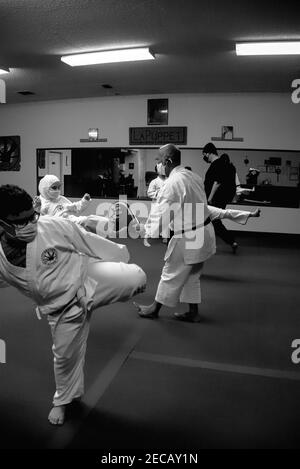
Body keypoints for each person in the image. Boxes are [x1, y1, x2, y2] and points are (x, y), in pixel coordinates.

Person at [0, 184, 147, 425]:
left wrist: (119, 258)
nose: (29, 225)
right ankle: (63, 401)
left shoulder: (52, 226)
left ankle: (100, 292)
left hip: (87, 279)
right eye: (20, 222)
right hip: (59, 309)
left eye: (31, 217)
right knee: (65, 356)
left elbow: (90, 243)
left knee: (136, 277)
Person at [135, 144, 261, 323]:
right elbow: (205, 208)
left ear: (168, 161)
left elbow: (160, 213)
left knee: (169, 272)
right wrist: (244, 214)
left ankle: (154, 309)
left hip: (189, 237)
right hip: (204, 234)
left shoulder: (172, 183)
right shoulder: (192, 177)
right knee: (192, 275)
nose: (157, 164)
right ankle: (193, 312)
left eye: (158, 160)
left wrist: (148, 235)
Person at [202, 144, 238, 253]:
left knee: (212, 221)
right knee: (211, 221)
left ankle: (231, 242)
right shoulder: (223, 164)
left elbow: (216, 183)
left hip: (214, 199)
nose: (204, 157)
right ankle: (229, 242)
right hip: (220, 198)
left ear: (208, 153)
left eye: (204, 155)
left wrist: (210, 198)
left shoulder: (217, 164)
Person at [145, 162, 168, 245]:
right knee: (155, 219)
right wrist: (158, 193)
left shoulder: (169, 180)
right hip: (156, 204)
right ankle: (152, 233)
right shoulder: (154, 182)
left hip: (166, 204)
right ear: (157, 171)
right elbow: (149, 193)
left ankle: (165, 236)